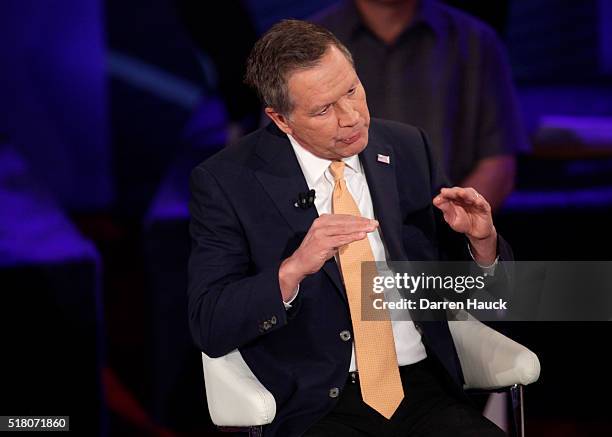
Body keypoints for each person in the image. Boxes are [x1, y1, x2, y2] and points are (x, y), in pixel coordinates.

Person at [188, 19, 511, 436]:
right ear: (281, 119)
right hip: (319, 403)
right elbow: (210, 322)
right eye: (324, 110)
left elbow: (480, 297)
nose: (352, 118)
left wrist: (481, 242)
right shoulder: (227, 182)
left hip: (423, 389)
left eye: (352, 91)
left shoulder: (407, 147)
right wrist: (292, 270)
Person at [314, 0, 530, 211]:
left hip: (446, 233)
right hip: (345, 230)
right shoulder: (309, 48)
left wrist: (447, 230)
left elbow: (498, 163)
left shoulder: (476, 41)